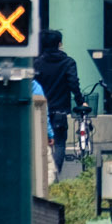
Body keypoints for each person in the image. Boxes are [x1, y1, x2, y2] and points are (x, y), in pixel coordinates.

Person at [34, 30, 84, 160]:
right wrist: (80, 102)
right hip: (60, 111)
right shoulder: (68, 63)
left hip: (39, 109)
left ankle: (42, 175)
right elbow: (73, 83)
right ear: (60, 43)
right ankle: (55, 176)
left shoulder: (36, 63)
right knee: (60, 143)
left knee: (39, 143)